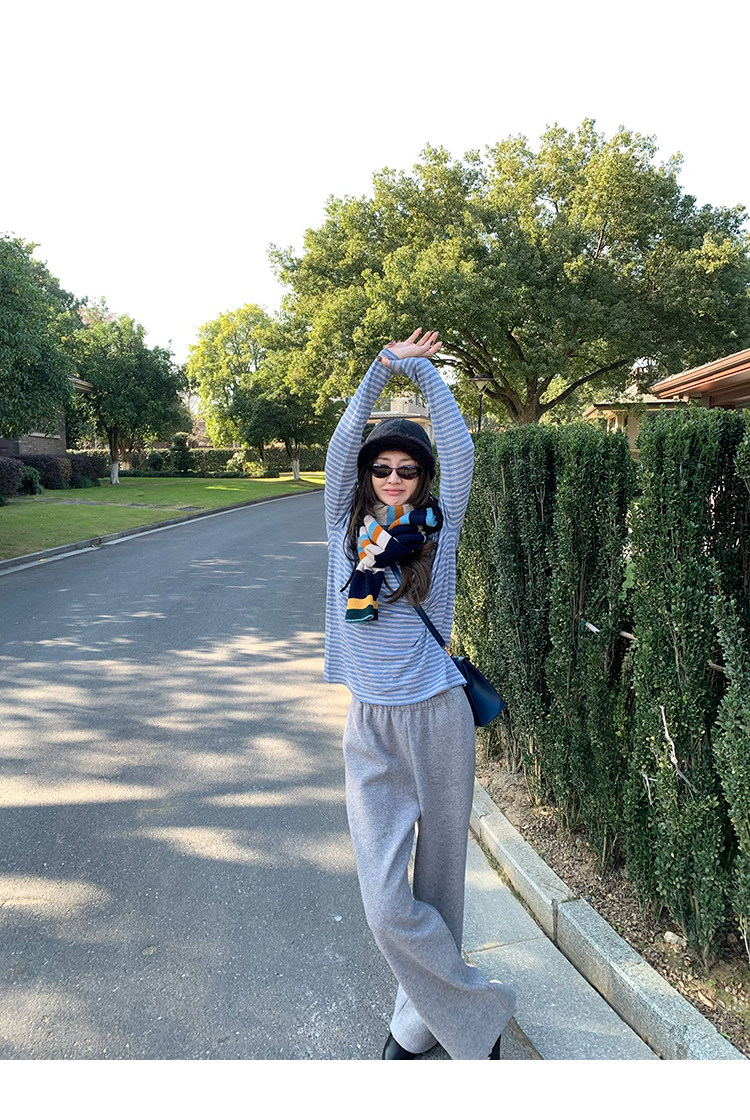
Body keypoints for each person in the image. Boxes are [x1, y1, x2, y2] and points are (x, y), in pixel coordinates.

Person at [324, 328, 516, 1060]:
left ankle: (422, 1020)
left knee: (439, 883)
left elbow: (461, 453)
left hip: (437, 717)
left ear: (423, 477)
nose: (394, 477)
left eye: (408, 469)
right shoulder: (344, 529)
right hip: (371, 725)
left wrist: (428, 376)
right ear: (368, 474)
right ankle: (476, 1010)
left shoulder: (439, 531)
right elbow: (344, 443)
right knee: (384, 901)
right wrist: (382, 369)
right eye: (383, 467)